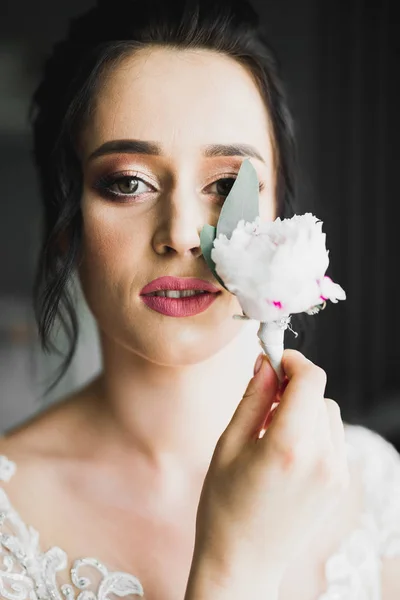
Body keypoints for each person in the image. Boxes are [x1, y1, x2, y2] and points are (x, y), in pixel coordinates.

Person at [0, 0, 399, 598]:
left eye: (225, 185)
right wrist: (235, 567)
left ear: (276, 216)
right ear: (65, 226)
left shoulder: (376, 486)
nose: (184, 233)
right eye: (128, 182)